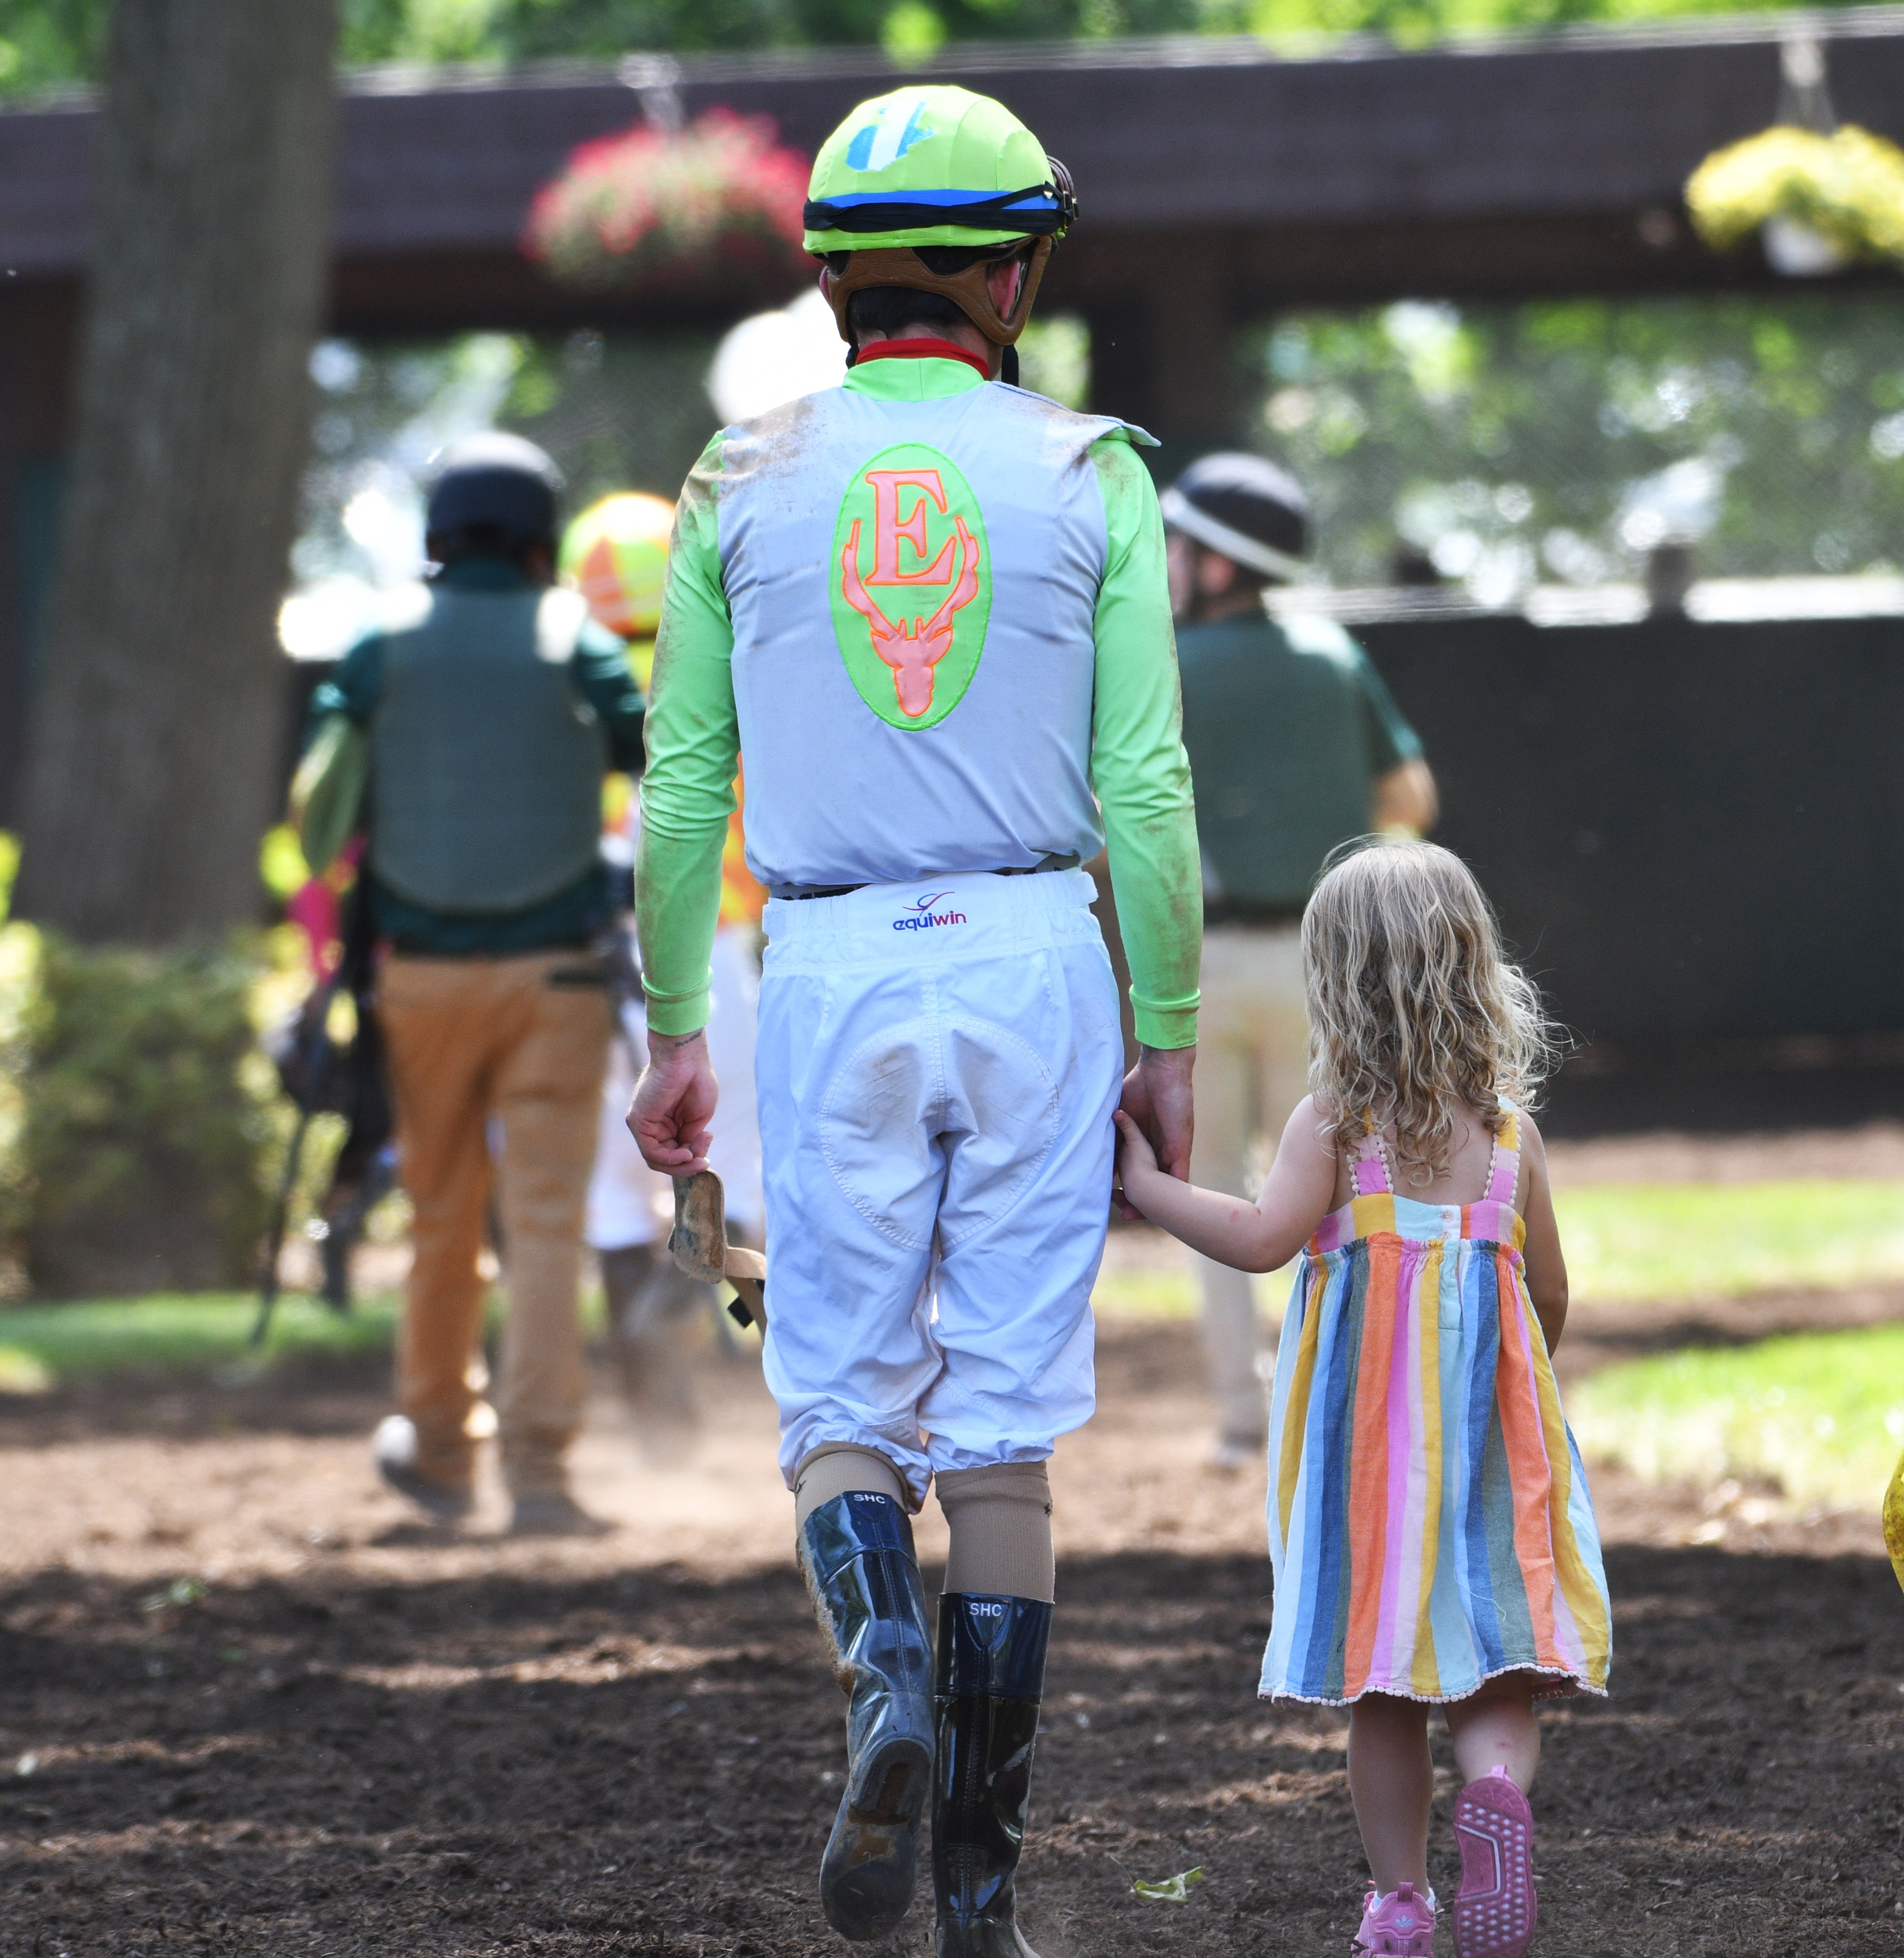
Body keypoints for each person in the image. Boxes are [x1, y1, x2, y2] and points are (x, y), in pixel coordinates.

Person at [625, 84, 1203, 1957]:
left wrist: (669, 1033)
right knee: (1007, 1443)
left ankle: (876, 1655)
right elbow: (1144, 785)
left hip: (829, 963)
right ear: (1012, 274)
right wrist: (1167, 1025)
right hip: (1038, 958)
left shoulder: (730, 482)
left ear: (833, 286)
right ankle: (980, 1892)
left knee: (838, 1410)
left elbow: (684, 782)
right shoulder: (1095, 469)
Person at [1112, 841, 1609, 1958]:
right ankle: (1496, 1791)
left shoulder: (1335, 1125)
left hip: (1374, 1461)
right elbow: (1551, 1291)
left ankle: (1400, 1898)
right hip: (1490, 1443)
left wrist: (1147, 1183)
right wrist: (1516, 1401)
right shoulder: (1510, 1136)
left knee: (1383, 1680)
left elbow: (1258, 1237)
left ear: (1332, 981)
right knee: (1497, 1666)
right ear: (1476, 967)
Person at [306, 433, 645, 1537]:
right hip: (558, 978)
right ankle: (542, 1475)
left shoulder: (380, 647)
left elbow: (320, 810)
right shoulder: (575, 642)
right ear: (545, 540)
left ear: (438, 539)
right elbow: (656, 752)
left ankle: (444, 1457)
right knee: (547, 1224)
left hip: (420, 986)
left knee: (443, 1219)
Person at [1165, 450, 1436, 1464]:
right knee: (1342, 1189)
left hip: (1204, 971)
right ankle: (1340, 1407)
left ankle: (1243, 1421)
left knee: (1215, 1196)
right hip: (1329, 976)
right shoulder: (1331, 656)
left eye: (1182, 546)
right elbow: (1411, 800)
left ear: (1220, 567)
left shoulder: (1167, 664)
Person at [563, 489, 765, 1442]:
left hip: (586, 966)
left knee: (613, 1191)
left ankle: (659, 1428)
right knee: (746, 1174)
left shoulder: (572, 692)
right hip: (709, 959)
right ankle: (782, 1410)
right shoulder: (724, 675)